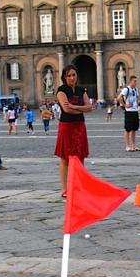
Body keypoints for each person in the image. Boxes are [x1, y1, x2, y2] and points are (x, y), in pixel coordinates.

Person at [54, 64, 93, 197]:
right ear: (65, 77)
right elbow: (66, 110)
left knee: (80, 156)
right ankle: (65, 188)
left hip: (79, 125)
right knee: (65, 157)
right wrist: (80, 107)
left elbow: (90, 107)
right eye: (69, 75)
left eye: (74, 75)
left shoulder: (81, 90)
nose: (72, 78)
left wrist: (73, 106)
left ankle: (78, 186)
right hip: (67, 126)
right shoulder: (61, 90)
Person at [118, 75, 140, 151]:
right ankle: (127, 146)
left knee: (134, 129)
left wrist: (137, 103)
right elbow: (119, 97)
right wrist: (124, 105)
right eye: (134, 81)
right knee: (127, 129)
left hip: (135, 111)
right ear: (130, 81)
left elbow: (137, 97)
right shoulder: (126, 89)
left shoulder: (136, 89)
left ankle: (134, 145)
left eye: (136, 81)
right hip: (129, 111)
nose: (136, 82)